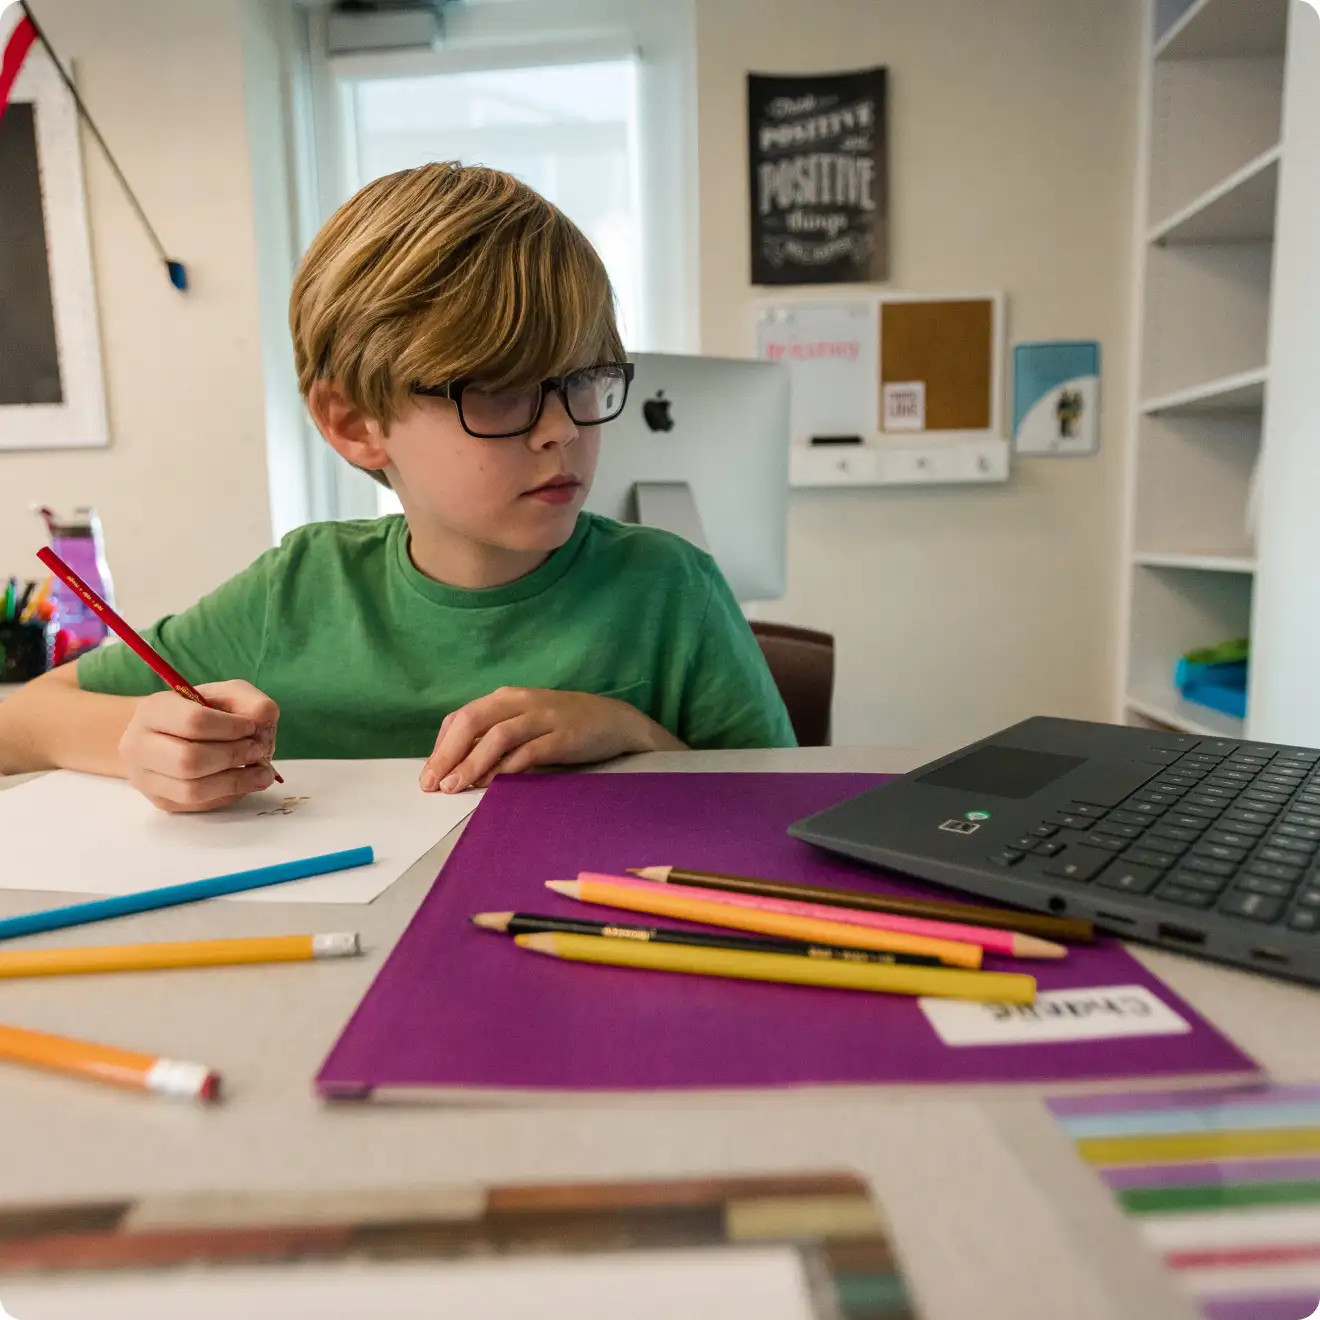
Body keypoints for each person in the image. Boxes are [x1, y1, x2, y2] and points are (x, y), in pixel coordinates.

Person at [0, 163, 795, 812]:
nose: (563, 430)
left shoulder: (670, 591)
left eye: (584, 379)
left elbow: (785, 814)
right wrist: (148, 741)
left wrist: (631, 734)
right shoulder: (299, 593)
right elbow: (17, 722)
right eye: (498, 390)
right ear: (355, 423)